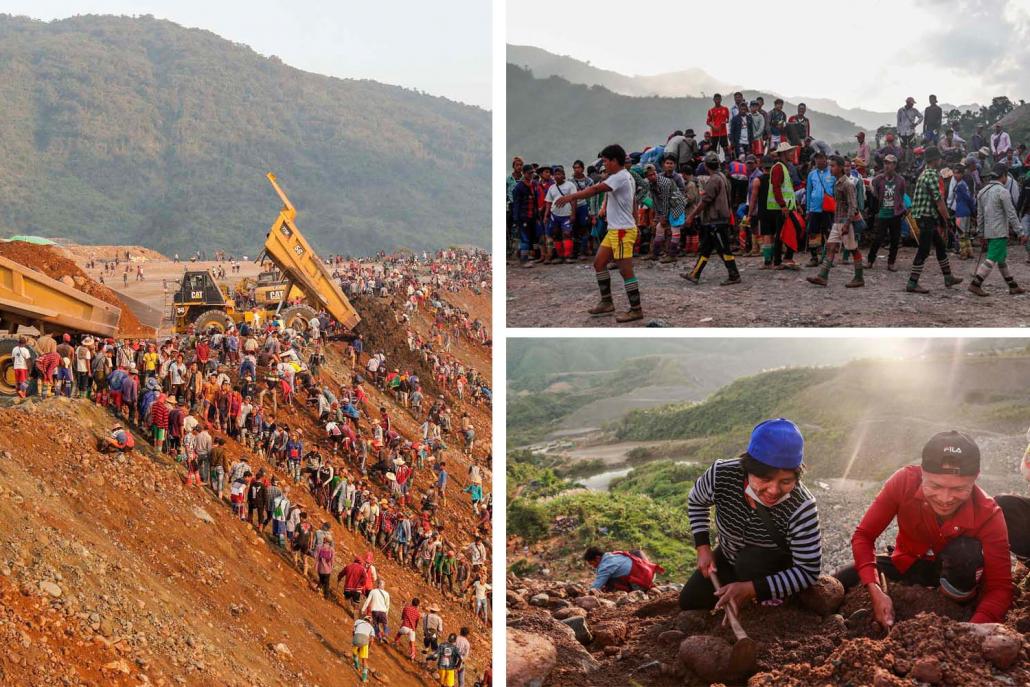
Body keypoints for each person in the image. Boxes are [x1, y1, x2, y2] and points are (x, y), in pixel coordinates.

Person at [834, 431, 1013, 627]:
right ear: (922, 472)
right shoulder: (903, 482)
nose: (945, 499)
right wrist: (875, 588)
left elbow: (1000, 588)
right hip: (908, 562)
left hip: (961, 579)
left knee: (965, 553)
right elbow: (864, 536)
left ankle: (954, 605)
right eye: (935, 486)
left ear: (975, 478)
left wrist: (972, 630)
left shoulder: (988, 513)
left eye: (958, 489)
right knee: (845, 578)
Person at [679, 418, 821, 612]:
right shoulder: (721, 475)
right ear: (748, 469)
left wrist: (751, 589)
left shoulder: (802, 506)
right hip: (729, 556)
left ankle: (773, 601)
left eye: (786, 481)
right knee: (690, 601)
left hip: (771, 570)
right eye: (765, 479)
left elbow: (808, 570)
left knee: (750, 561)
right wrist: (703, 547)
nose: (774, 490)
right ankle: (739, 588)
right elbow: (697, 500)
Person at [552, 144, 644, 322]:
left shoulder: (620, 177)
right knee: (599, 263)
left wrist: (571, 197)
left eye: (606, 161)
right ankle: (607, 302)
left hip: (622, 231)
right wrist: (636, 222)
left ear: (614, 161)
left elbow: (595, 189)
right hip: (616, 230)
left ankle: (636, 309)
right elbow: (632, 201)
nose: (604, 164)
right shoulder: (623, 176)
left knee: (626, 271)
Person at [906, 147, 963, 293]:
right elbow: (938, 201)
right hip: (926, 217)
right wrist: (948, 219)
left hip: (924, 216)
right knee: (924, 250)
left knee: (940, 245)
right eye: (939, 158)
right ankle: (912, 282)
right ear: (935, 159)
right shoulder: (931, 175)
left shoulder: (924, 173)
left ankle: (948, 276)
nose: (940, 160)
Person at [681, 152, 742, 285]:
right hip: (717, 220)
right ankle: (695, 274)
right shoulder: (723, 177)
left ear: (706, 165)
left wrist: (691, 216)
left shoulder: (714, 179)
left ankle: (734, 274)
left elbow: (705, 201)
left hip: (716, 220)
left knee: (724, 249)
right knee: (706, 249)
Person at [969, 163, 1026, 296]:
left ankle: (1012, 285)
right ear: (1004, 176)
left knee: (1001, 259)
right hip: (999, 231)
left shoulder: (982, 192)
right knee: (992, 258)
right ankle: (975, 283)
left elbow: (980, 216)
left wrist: (981, 233)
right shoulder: (1003, 191)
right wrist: (1020, 232)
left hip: (989, 231)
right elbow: (1011, 213)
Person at [806, 155, 863, 288]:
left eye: (833, 166)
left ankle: (859, 277)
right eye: (830, 165)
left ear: (841, 168)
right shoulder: (837, 183)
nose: (830, 168)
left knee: (853, 249)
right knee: (831, 247)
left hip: (845, 222)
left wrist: (847, 224)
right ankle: (823, 276)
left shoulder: (847, 184)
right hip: (837, 221)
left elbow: (853, 206)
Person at [584, 547, 664, 591]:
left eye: (592, 563)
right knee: (636, 552)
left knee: (609, 582)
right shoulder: (614, 554)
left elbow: (597, 585)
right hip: (650, 572)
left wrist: (587, 593)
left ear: (597, 558)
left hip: (641, 583)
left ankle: (642, 589)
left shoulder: (605, 566)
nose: (593, 566)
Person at [362, 578, 391, 642]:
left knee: (376, 625)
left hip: (374, 611)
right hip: (383, 611)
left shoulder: (373, 591)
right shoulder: (386, 594)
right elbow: (387, 605)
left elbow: (367, 601)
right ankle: (385, 636)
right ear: (383, 585)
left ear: (378, 584)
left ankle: (379, 637)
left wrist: (363, 609)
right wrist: (386, 614)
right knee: (385, 624)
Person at [352, 614, 376, 683]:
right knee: (364, 661)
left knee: (355, 652)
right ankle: (364, 679)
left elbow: (353, 631)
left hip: (356, 638)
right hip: (365, 641)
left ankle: (357, 665)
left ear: (364, 619)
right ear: (370, 622)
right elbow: (372, 640)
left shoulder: (358, 621)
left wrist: (354, 639)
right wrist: (368, 648)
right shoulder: (371, 628)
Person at [706, 94, 731, 158]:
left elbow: (728, 120)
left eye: (719, 99)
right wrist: (714, 127)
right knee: (713, 149)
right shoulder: (711, 110)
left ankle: (727, 162)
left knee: (725, 148)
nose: (717, 100)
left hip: (723, 132)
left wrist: (724, 122)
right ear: (713, 100)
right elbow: (708, 122)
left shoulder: (725, 109)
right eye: (716, 99)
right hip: (714, 133)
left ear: (721, 99)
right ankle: (715, 162)